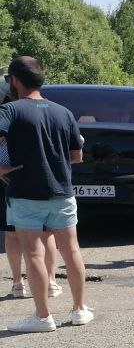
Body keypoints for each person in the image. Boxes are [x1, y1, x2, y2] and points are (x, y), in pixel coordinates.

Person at [0, 56, 91, 331]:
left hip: (26, 193)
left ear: (15, 80)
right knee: (72, 250)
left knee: (34, 254)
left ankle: (43, 317)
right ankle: (79, 309)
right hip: (62, 191)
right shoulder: (62, 112)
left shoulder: (11, 111)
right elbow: (77, 156)